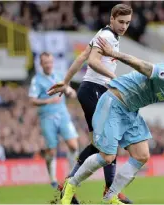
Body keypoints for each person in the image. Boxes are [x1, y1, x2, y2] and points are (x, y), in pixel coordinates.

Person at [59, 37, 164, 204]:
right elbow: (142, 65)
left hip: (130, 111)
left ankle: (110, 196)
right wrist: (114, 53)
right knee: (107, 157)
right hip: (113, 104)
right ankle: (70, 184)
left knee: (142, 155)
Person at [47, 4, 133, 204]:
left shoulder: (104, 34)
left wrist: (66, 81)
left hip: (92, 91)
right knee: (108, 142)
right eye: (121, 22)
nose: (124, 26)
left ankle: (70, 185)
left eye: (127, 23)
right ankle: (108, 192)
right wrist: (115, 78)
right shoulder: (108, 36)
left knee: (99, 145)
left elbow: (82, 57)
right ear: (112, 18)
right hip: (95, 90)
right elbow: (92, 62)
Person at [28, 52, 79, 190]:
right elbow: (32, 100)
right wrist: (48, 101)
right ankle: (53, 179)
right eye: (46, 62)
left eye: (50, 62)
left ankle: (71, 176)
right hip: (47, 117)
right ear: (41, 64)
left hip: (63, 115)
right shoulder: (37, 80)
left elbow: (69, 90)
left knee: (74, 145)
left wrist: (71, 92)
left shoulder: (59, 75)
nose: (49, 65)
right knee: (51, 150)